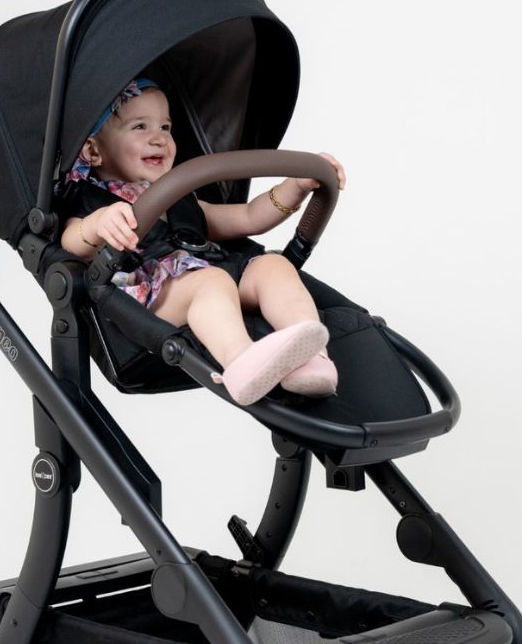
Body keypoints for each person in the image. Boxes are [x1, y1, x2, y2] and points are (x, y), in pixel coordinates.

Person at [57, 78, 345, 406]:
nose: (159, 138)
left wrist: (295, 186)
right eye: (140, 126)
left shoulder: (178, 196)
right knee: (211, 282)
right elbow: (70, 241)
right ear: (93, 151)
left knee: (273, 265)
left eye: (165, 127)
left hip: (213, 276)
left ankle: (311, 357)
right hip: (151, 301)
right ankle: (241, 361)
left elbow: (249, 217)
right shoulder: (93, 204)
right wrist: (97, 225)